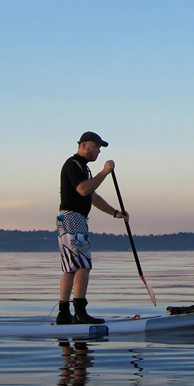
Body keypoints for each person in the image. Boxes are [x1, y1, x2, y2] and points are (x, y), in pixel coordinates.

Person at [56, 131, 129, 325]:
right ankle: (79, 312)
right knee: (83, 266)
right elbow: (82, 189)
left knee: (71, 268)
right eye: (97, 147)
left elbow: (93, 197)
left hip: (71, 218)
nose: (98, 151)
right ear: (85, 145)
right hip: (73, 218)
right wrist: (105, 172)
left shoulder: (84, 169)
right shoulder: (73, 164)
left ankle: (64, 314)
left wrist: (115, 213)